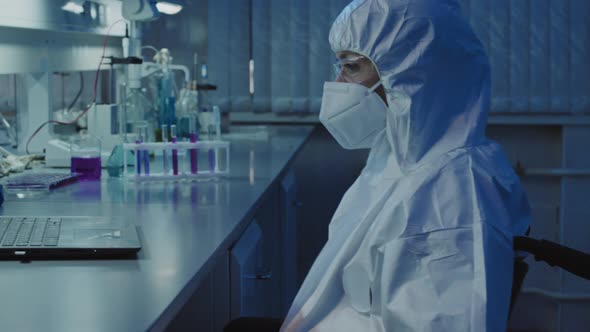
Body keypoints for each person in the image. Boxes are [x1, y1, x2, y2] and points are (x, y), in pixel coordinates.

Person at [280, 0, 531, 331]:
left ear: (410, 74)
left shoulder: (452, 200)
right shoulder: (403, 160)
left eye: (351, 67)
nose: (339, 83)